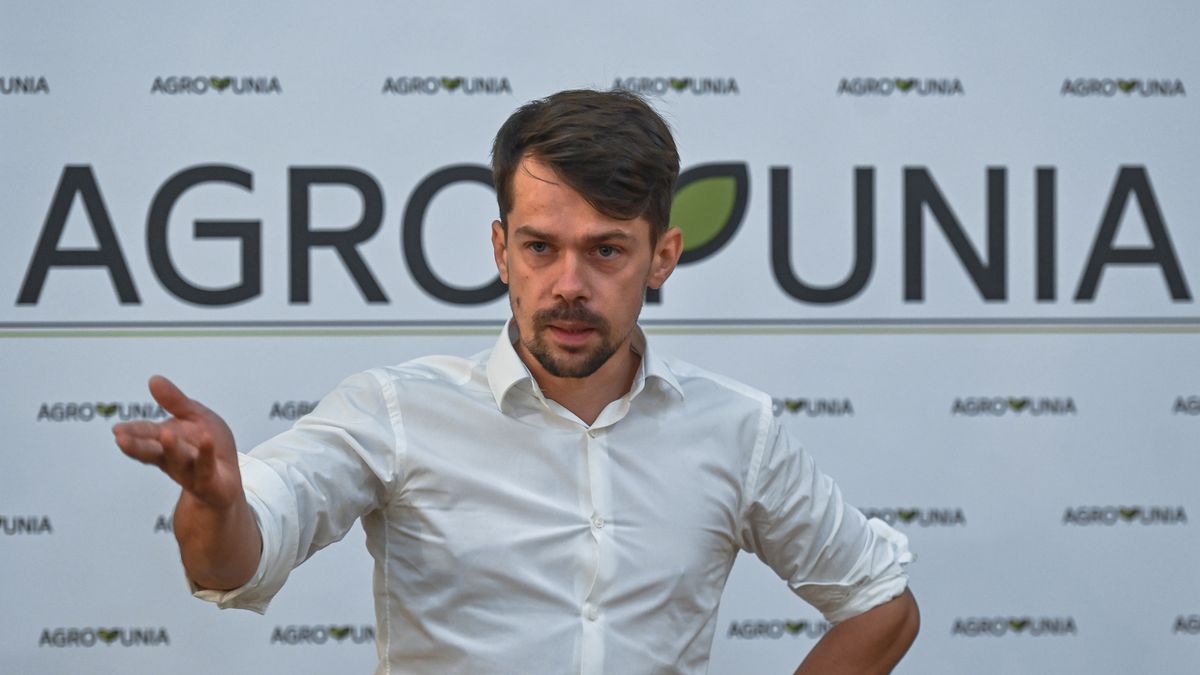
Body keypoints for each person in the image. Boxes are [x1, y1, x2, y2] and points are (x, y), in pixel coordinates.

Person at [114, 89, 919, 674]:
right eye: (541, 247)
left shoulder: (738, 428)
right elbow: (232, 564)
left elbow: (883, 602)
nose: (569, 283)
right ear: (500, 250)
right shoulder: (396, 410)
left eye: (606, 250)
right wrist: (215, 503)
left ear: (663, 256)